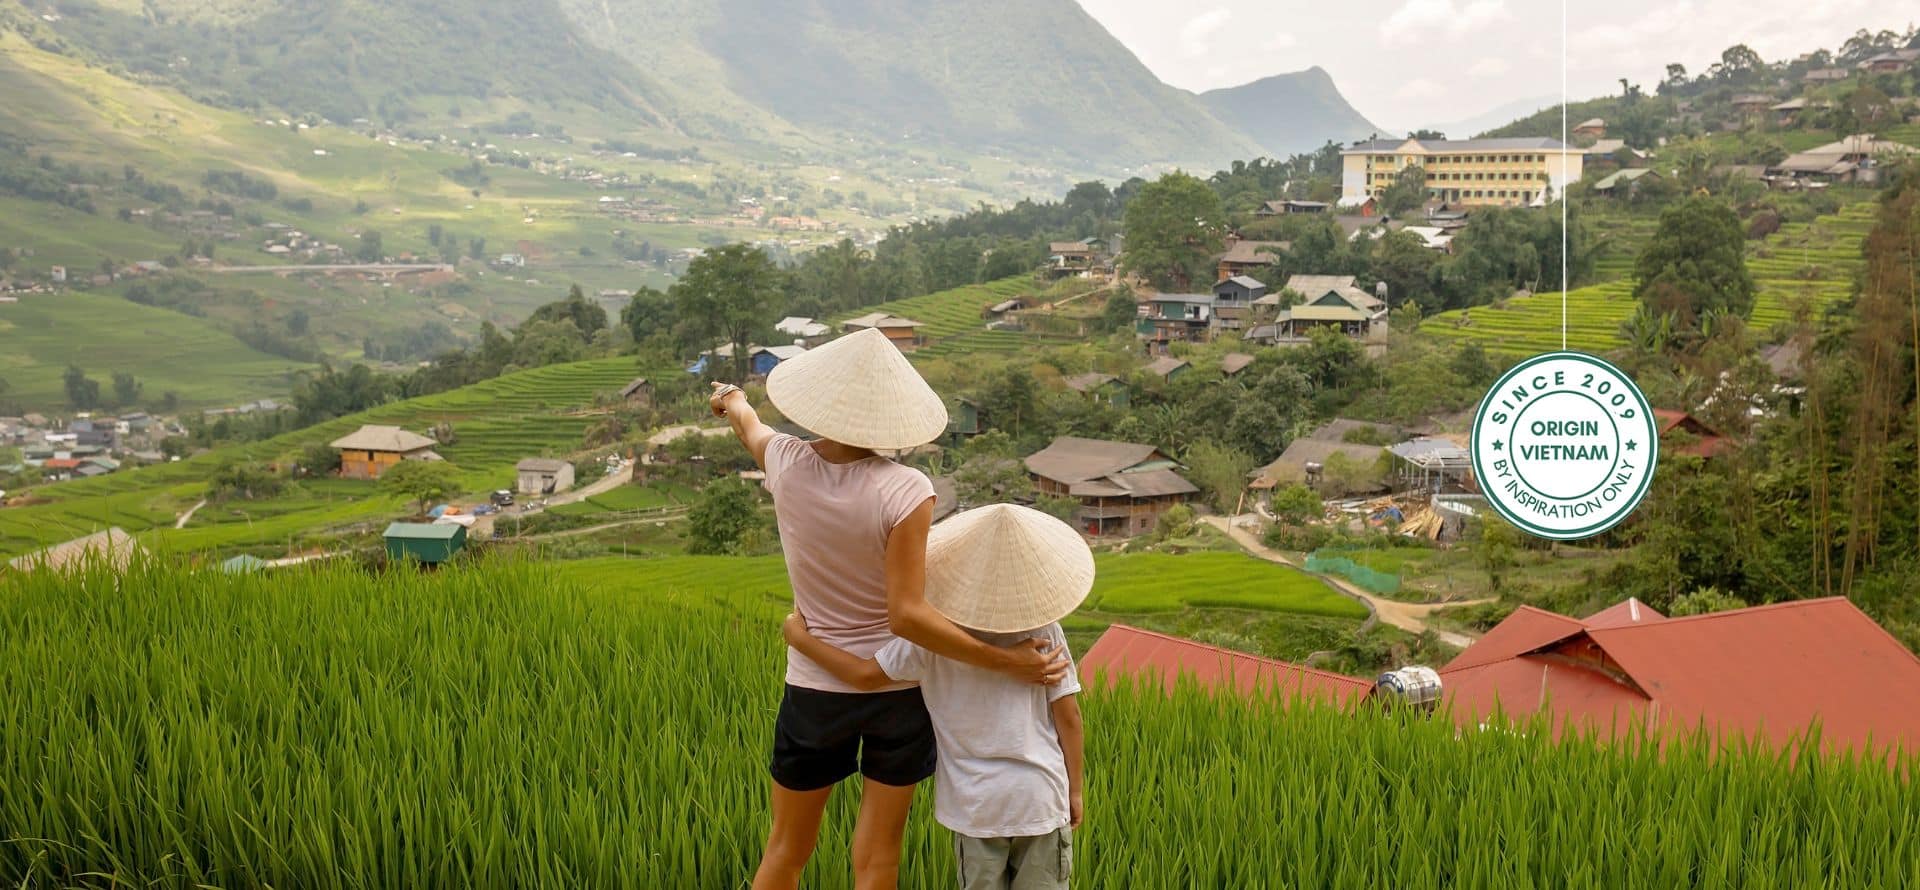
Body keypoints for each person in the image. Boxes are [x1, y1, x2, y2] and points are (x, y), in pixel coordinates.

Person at [709, 328, 1071, 890]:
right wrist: (1006, 662)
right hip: (896, 692)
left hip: (814, 688)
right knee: (878, 859)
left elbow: (749, 427)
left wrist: (732, 398)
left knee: (784, 851)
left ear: (821, 403)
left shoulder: (785, 461)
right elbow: (905, 616)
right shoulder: (906, 489)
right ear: (889, 418)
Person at [782, 504, 1092, 890]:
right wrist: (1074, 790)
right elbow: (1070, 718)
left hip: (977, 808)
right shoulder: (1046, 632)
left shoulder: (928, 641)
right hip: (1040, 798)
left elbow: (863, 676)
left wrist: (800, 639)